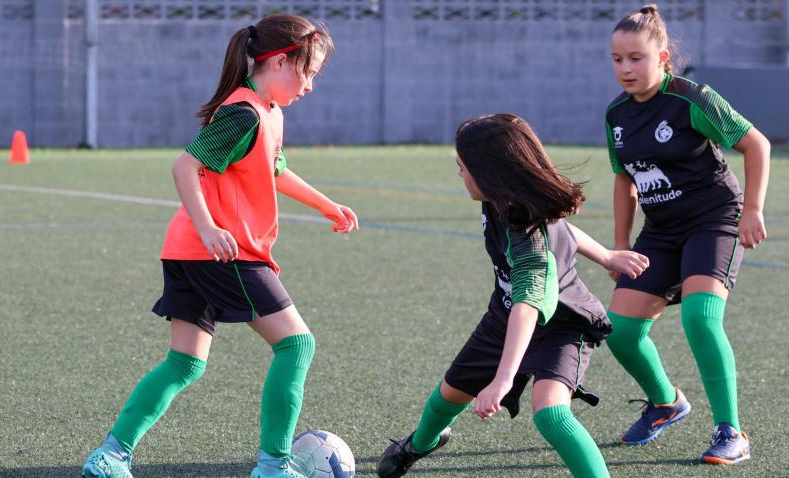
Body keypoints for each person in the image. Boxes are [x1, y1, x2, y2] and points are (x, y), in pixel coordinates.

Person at [82, 14, 358, 478]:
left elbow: (274, 169)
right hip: (221, 251)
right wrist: (210, 228)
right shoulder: (243, 113)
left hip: (190, 249)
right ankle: (274, 466)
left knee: (184, 364)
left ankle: (109, 456)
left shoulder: (267, 112)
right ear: (279, 61)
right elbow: (185, 167)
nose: (310, 86)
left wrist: (326, 204)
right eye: (308, 73)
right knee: (297, 345)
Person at [376, 113, 650, 478]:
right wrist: (606, 256)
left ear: (490, 170)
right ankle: (420, 444)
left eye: (464, 165)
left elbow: (528, 305)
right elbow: (563, 228)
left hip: (562, 326)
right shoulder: (509, 199)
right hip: (504, 317)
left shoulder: (527, 240)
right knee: (446, 398)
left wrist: (502, 381)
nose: (459, 170)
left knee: (551, 413)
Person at [603, 3, 770, 465]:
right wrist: (620, 245)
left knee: (701, 317)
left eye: (636, 58)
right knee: (619, 331)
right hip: (661, 230)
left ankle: (730, 431)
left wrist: (752, 210)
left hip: (713, 220)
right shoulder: (616, 113)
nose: (625, 68)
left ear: (663, 58)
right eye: (617, 59)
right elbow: (625, 179)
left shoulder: (691, 98)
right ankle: (665, 403)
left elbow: (755, 143)